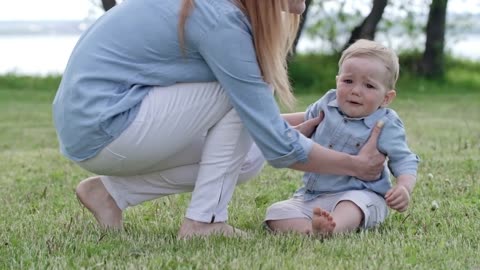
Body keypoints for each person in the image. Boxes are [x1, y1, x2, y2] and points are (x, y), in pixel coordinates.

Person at [52, 0, 386, 238]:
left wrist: (325, 117)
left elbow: (252, 125)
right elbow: (279, 147)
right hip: (107, 124)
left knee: (246, 159)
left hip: (98, 128)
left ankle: (111, 193)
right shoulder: (220, 18)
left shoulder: (214, 8)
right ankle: (204, 222)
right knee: (247, 90)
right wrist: (357, 166)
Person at [265, 39, 420, 236]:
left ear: (386, 98)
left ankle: (335, 226)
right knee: (276, 212)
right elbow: (304, 121)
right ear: (338, 81)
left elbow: (405, 159)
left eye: (369, 86)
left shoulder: (385, 122)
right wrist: (265, 123)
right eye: (348, 81)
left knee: (354, 204)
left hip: (361, 195)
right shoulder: (328, 103)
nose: (356, 90)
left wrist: (404, 187)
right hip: (313, 195)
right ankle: (310, 230)